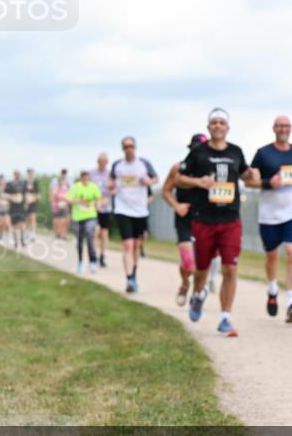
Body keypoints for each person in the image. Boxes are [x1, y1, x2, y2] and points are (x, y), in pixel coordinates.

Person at [176, 108, 259, 337]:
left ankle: (225, 317)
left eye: (222, 122)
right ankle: (198, 295)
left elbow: (243, 174)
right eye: (214, 122)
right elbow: (179, 179)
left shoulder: (235, 151)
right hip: (204, 219)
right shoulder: (198, 152)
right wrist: (198, 181)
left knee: (230, 268)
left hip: (231, 219)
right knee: (201, 270)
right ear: (208, 127)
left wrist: (251, 174)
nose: (218, 126)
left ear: (228, 127)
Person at [251, 116, 292, 323]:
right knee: (272, 256)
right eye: (280, 126)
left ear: (291, 129)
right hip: (269, 215)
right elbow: (251, 181)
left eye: (287, 126)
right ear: (274, 128)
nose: (283, 129)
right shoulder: (263, 153)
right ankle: (272, 290)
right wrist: (267, 182)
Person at [163, 133, 208, 306]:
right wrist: (176, 206)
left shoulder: (209, 171)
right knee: (189, 262)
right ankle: (185, 284)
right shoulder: (178, 168)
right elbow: (166, 191)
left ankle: (198, 290)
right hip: (184, 217)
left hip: (204, 218)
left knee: (202, 260)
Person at [109, 136, 159, 293]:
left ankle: (134, 274)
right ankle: (129, 278)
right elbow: (111, 182)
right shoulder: (117, 165)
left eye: (131, 146)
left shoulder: (143, 164)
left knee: (137, 245)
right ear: (122, 149)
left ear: (135, 148)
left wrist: (148, 182)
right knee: (127, 245)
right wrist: (112, 188)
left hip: (140, 210)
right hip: (122, 209)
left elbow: (156, 178)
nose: (128, 149)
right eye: (126, 146)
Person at [66, 170, 102, 273]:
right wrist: (78, 201)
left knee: (90, 237)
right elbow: (68, 200)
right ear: (81, 177)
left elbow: (98, 198)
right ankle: (80, 261)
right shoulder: (75, 187)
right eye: (83, 177)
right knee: (80, 241)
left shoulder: (93, 187)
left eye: (87, 177)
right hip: (78, 217)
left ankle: (93, 261)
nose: (85, 178)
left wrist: (98, 204)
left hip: (90, 215)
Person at [89, 153, 113, 268]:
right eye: (100, 161)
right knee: (94, 231)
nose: (102, 163)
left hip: (106, 206)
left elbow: (115, 189)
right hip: (93, 206)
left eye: (105, 161)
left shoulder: (110, 174)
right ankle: (93, 254)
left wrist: (107, 198)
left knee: (104, 232)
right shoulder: (91, 174)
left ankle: (102, 255)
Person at [5, 170, 28, 249]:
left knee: (23, 224)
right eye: (16, 174)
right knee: (14, 226)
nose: (18, 176)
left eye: (19, 174)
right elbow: (5, 195)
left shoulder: (23, 184)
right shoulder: (9, 184)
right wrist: (11, 197)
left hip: (21, 207)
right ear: (14, 175)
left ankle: (22, 239)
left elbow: (25, 195)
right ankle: (15, 242)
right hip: (13, 207)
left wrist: (25, 202)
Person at [50, 169, 71, 240]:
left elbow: (69, 194)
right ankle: (57, 233)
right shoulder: (55, 185)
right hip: (56, 205)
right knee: (57, 220)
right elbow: (52, 195)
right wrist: (58, 198)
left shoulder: (67, 184)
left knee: (64, 220)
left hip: (64, 205)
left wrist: (66, 200)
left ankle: (63, 234)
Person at [24, 168, 40, 244]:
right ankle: (27, 233)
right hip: (26, 203)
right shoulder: (25, 182)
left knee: (32, 218)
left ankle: (33, 234)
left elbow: (38, 195)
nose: (30, 175)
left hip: (33, 202)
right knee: (27, 218)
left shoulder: (36, 182)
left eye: (31, 173)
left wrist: (32, 196)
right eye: (29, 173)